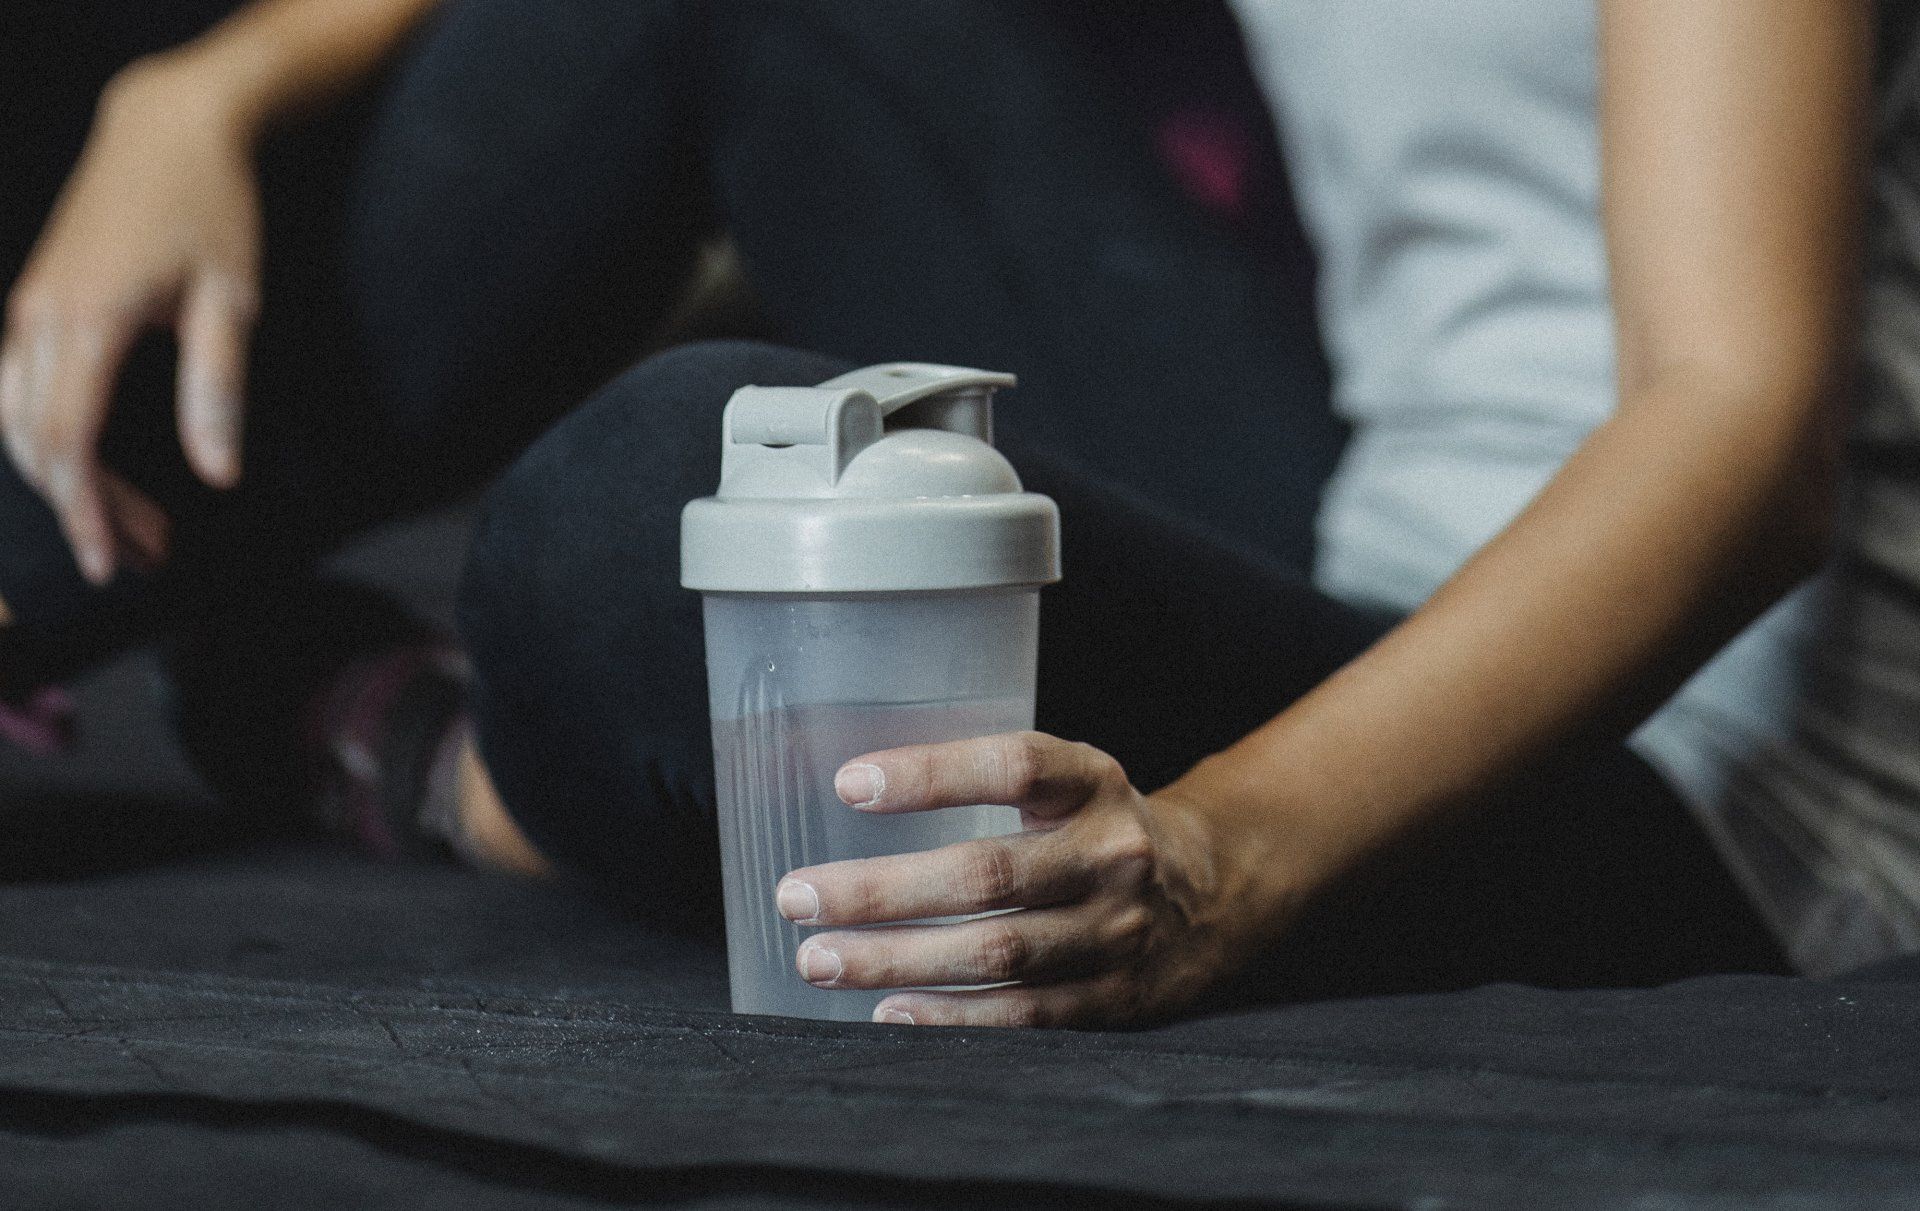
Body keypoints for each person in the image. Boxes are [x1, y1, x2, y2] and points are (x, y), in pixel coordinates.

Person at [0, 0, 1889, 1027]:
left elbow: (1738, 438)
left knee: (669, 506)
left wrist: (1225, 851)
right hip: (1365, 532)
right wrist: (203, 86)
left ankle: (447, 773)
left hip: (1694, 758)